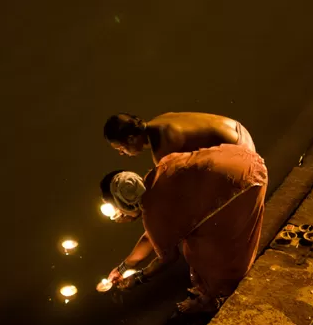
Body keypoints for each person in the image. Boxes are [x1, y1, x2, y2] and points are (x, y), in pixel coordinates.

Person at [100, 143, 267, 313]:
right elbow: (151, 236)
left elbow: (168, 258)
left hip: (245, 184)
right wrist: (123, 268)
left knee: (196, 250)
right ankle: (209, 291)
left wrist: (139, 278)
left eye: (116, 208)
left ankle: (212, 296)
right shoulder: (160, 170)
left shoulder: (153, 213)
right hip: (245, 159)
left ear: (125, 205)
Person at [103, 112, 255, 165]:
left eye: (121, 149)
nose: (122, 153)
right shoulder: (162, 119)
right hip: (241, 130)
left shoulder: (162, 149)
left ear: (131, 139)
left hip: (242, 152)